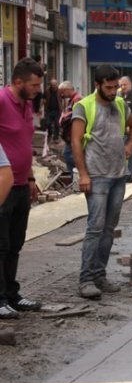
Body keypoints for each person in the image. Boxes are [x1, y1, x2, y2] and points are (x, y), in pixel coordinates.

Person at [71, 65, 132, 299]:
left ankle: (100, 275)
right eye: (108, 88)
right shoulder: (84, 106)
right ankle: (86, 279)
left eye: (116, 87)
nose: (113, 92)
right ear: (97, 85)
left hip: (118, 176)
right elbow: (75, 141)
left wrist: (130, 145)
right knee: (95, 228)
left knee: (109, 230)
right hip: (97, 177)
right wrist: (83, 174)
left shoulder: (120, 104)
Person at [0, 58, 44, 319]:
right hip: (3, 186)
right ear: (18, 82)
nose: (38, 89)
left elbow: (24, 144)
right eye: (34, 84)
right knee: (0, 245)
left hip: (20, 186)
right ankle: (0, 297)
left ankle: (12, 294)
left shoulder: (26, 105)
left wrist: (29, 178)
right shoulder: (2, 102)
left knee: (15, 243)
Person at [58, 81, 83, 173]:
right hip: (70, 134)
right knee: (69, 155)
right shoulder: (72, 100)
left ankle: (79, 175)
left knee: (69, 155)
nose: (61, 95)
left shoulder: (77, 99)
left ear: (68, 90)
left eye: (62, 92)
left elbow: (75, 115)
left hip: (74, 134)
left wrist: (63, 117)